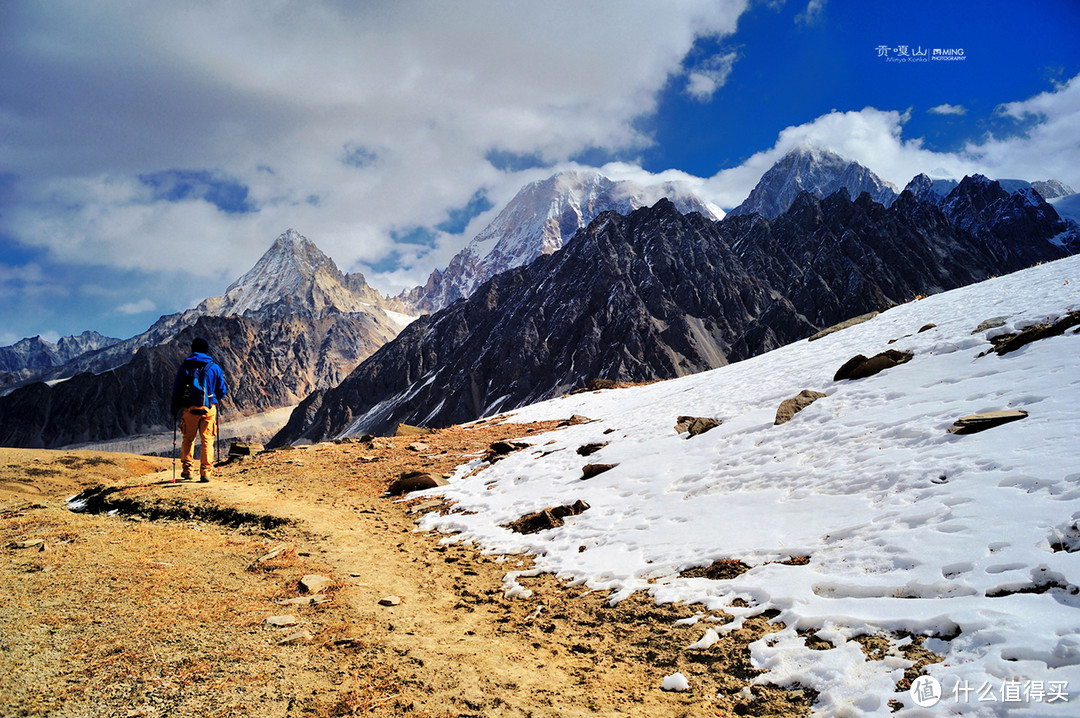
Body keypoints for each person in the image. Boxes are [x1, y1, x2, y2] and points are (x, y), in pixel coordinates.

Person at [170, 337, 228, 481]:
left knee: (188, 439)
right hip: (209, 408)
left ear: (193, 349)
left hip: (189, 408)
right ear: (206, 350)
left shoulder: (185, 367)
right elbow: (222, 391)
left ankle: (188, 470)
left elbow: (177, 389)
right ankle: (206, 472)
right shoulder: (214, 367)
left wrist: (174, 407)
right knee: (207, 440)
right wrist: (214, 398)